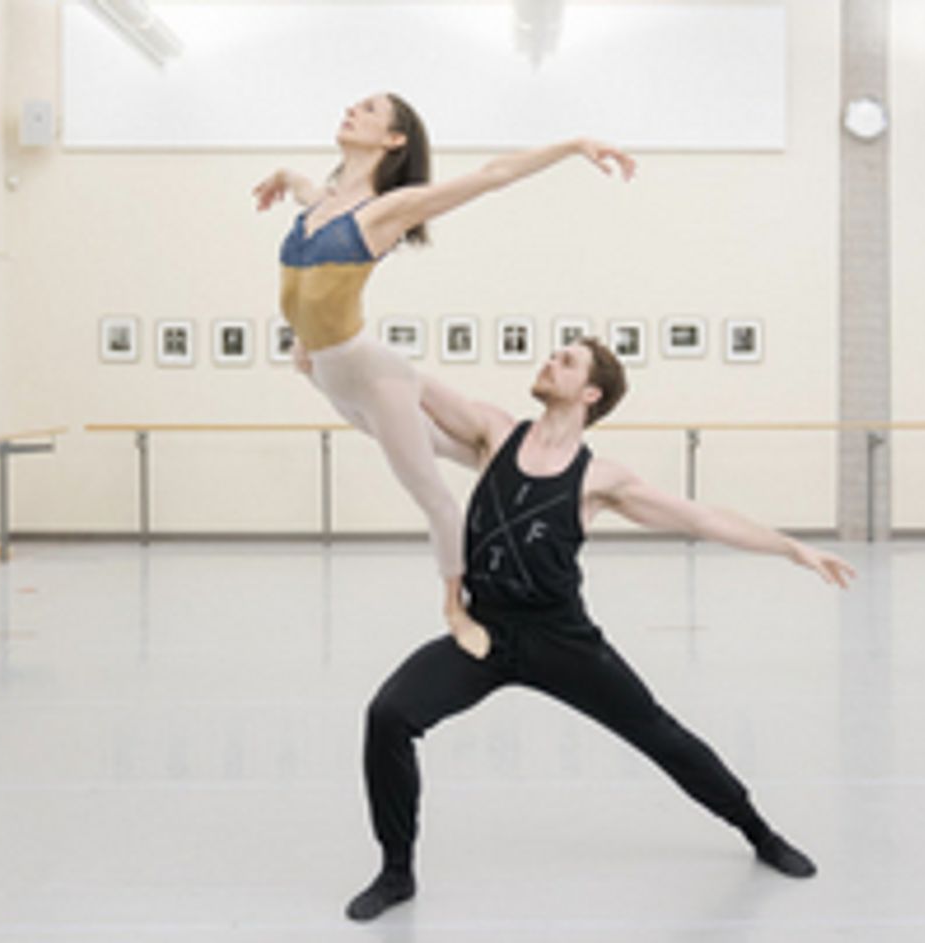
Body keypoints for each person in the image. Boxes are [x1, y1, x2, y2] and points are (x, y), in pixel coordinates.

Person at [345, 337, 857, 921]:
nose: (549, 361)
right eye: (553, 354)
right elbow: (407, 381)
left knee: (661, 735)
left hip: (560, 639)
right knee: (389, 715)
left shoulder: (600, 479)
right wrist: (337, 345)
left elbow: (703, 518)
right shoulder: (493, 432)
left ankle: (758, 831)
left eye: (566, 361)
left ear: (590, 394)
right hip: (483, 633)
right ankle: (396, 871)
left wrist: (791, 548)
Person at [253, 93, 635, 649]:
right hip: (327, 373)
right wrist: (284, 175)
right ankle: (531, 478)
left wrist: (574, 144)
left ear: (395, 139)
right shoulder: (322, 204)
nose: (351, 110)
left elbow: (493, 175)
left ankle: (458, 609)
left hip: (370, 372)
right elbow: (305, 188)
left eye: (369, 109)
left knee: (429, 492)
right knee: (468, 452)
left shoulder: (388, 209)